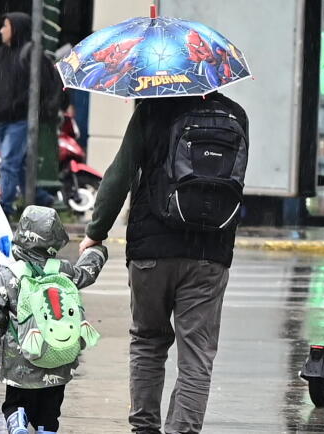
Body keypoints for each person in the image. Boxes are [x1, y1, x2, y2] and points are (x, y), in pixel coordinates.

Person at [80, 92, 248, 433]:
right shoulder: (236, 116)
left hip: (151, 251)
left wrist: (95, 232)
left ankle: (144, 429)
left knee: (148, 341)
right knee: (197, 355)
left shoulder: (152, 111)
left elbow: (119, 176)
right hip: (210, 252)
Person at [0, 206, 108, 434]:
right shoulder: (63, 271)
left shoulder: (10, 275)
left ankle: (17, 421)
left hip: (21, 361)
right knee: (50, 409)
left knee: (15, 402)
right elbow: (88, 272)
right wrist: (98, 250)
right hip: (58, 357)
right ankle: (46, 428)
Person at [0, 12, 56, 216]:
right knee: (19, 165)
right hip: (2, 119)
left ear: (16, 29)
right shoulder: (2, 53)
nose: (1, 30)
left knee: (9, 163)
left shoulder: (30, 53)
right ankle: (42, 198)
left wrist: (19, 104)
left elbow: (42, 86)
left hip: (20, 120)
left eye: (5, 26)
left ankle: (2, 207)